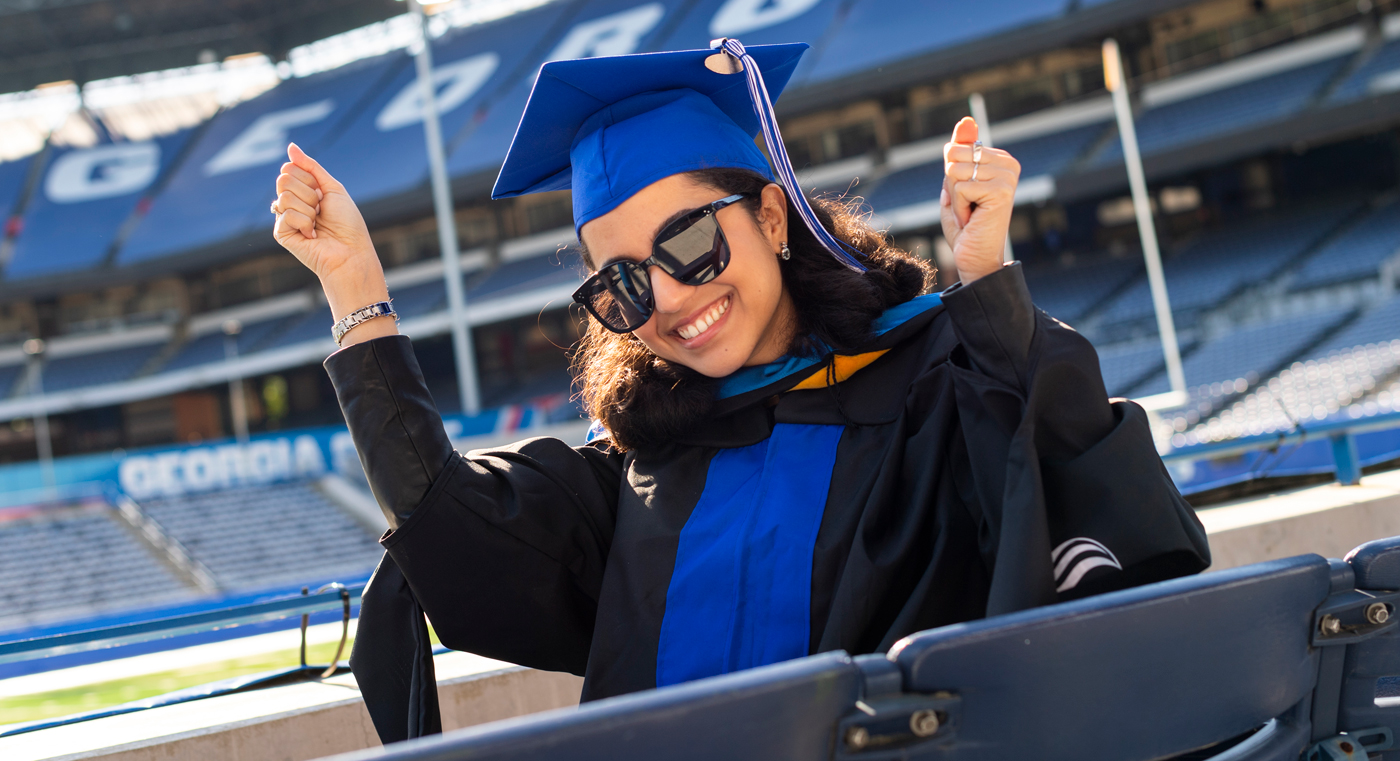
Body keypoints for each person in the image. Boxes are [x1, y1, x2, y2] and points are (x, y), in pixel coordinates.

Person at [270, 39, 1209, 743]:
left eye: (689, 243)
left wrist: (986, 288)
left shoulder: (939, 379)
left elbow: (1105, 511)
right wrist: (357, 292)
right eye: (623, 284)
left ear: (770, 212)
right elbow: (448, 524)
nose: (672, 298)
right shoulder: (636, 474)